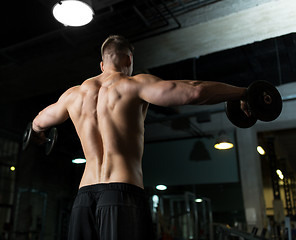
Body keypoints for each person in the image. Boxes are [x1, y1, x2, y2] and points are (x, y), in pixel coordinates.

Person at [32, 35, 249, 240]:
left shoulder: (72, 95)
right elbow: (194, 91)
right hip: (121, 194)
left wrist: (37, 132)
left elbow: (39, 121)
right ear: (129, 59)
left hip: (83, 199)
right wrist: (242, 92)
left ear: (102, 64)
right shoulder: (133, 84)